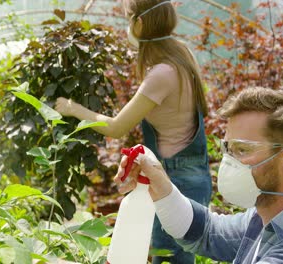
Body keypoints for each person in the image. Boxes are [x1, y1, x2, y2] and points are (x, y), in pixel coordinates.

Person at [115, 87, 283, 263]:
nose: (229, 162)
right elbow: (206, 231)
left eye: (242, 150)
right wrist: (159, 182)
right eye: (228, 149)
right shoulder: (267, 218)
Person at [55, 0, 211, 263]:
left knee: (168, 257)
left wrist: (73, 108)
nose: (127, 25)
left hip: (177, 178)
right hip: (193, 173)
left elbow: (116, 127)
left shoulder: (162, 73)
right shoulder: (181, 54)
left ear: (139, 23)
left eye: (129, 18)